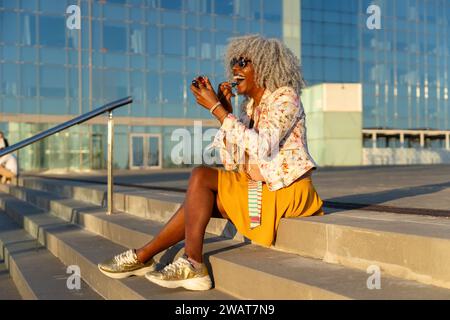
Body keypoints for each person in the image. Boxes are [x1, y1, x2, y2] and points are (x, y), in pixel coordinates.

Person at [98, 35, 324, 291]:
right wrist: (225, 112)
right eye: (233, 64)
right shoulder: (250, 109)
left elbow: (263, 146)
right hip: (257, 188)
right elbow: (231, 163)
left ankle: (170, 260)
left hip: (286, 190)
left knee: (201, 177)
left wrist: (218, 109)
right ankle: (155, 258)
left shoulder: (285, 98)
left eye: (242, 62)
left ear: (263, 66)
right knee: (199, 194)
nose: (235, 69)